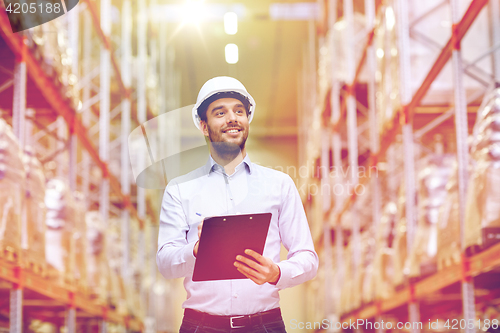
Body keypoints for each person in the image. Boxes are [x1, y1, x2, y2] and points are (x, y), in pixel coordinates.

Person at [156, 76, 318, 332]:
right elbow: (165, 264)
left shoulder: (279, 184)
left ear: (247, 120)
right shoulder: (179, 189)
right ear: (203, 126)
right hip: (201, 325)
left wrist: (276, 273)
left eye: (239, 111)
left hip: (265, 324)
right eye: (220, 112)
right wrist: (197, 249)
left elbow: (308, 258)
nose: (232, 118)